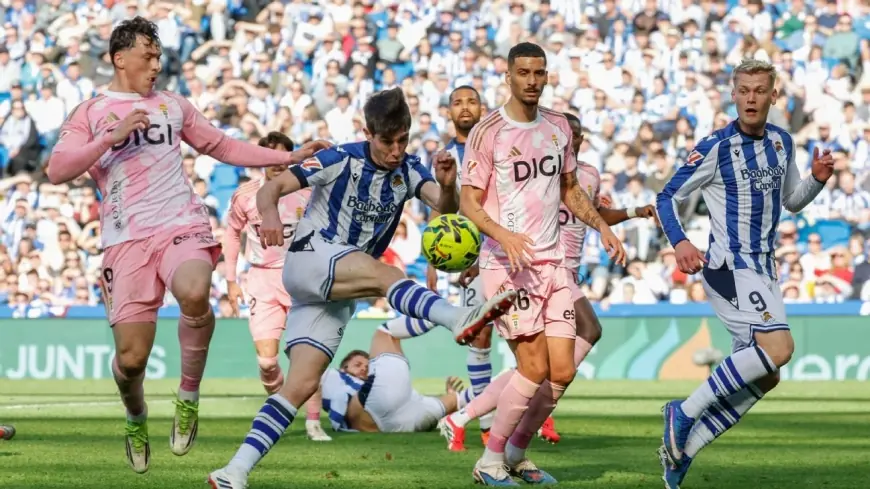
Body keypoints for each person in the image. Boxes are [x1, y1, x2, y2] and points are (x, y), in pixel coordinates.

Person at [45, 17, 323, 474]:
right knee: (131, 361)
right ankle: (136, 415)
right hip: (125, 240)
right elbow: (57, 170)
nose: (157, 64)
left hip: (181, 222)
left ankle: (188, 394)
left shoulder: (172, 105)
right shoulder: (91, 112)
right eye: (148, 56)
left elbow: (221, 146)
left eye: (159, 56)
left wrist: (287, 157)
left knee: (195, 291)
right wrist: (110, 137)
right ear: (120, 58)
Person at [207, 87, 517, 489]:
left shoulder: (409, 169)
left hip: (338, 290)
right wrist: (268, 215)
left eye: (402, 140)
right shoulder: (339, 158)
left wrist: (447, 185)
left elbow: (446, 211)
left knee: (300, 384)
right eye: (387, 142)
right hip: (310, 258)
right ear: (368, 133)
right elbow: (270, 189)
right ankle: (457, 318)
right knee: (387, 274)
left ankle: (233, 471)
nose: (396, 150)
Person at [655, 59, 833, 488]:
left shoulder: (782, 142)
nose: (752, 98)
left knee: (767, 374)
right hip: (729, 267)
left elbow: (791, 201)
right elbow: (666, 197)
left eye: (760, 90)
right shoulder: (716, 147)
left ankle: (684, 452)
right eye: (744, 90)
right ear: (733, 95)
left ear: (773, 96)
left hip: (764, 269)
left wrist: (816, 180)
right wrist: (680, 242)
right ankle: (683, 411)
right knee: (780, 348)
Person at [459, 42, 626, 486]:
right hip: (507, 264)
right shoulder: (488, 131)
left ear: (547, 75)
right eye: (524, 73)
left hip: (554, 265)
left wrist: (602, 227)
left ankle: (516, 453)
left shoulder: (558, 126)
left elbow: (571, 188)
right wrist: (504, 235)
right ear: (508, 76)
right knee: (533, 367)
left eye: (539, 73)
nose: (532, 81)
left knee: (562, 371)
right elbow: (469, 201)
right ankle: (489, 460)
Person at [381, 85, 496, 446]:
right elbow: (441, 207)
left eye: (472, 101)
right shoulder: (445, 156)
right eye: (458, 103)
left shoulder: (499, 148)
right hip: (472, 258)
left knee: (525, 342)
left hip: (503, 250)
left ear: (482, 109)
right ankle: (487, 428)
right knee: (480, 337)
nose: (465, 108)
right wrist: (433, 260)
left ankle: (527, 419)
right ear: (449, 113)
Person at [223, 132, 330, 442]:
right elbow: (231, 234)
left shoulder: (306, 191)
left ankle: (313, 423)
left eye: (282, 157)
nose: (276, 163)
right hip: (262, 280)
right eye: (270, 157)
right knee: (267, 362)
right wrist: (230, 279)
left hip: (301, 278)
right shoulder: (245, 195)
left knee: (306, 356)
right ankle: (284, 406)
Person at [320, 321, 474, 434]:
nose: (363, 369)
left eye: (367, 367)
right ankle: (447, 315)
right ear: (343, 368)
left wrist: (449, 394)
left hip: (404, 416)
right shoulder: (334, 375)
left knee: (456, 399)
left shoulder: (340, 383)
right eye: (357, 364)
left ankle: (489, 387)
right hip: (391, 412)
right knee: (385, 332)